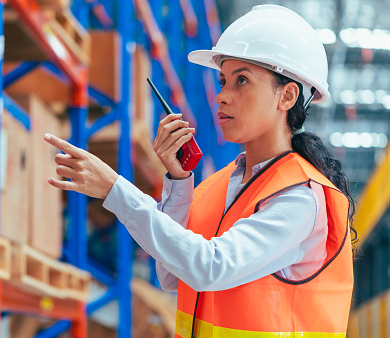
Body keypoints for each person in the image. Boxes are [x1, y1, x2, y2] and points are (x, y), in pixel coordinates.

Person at [44, 4, 356, 337]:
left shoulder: (299, 198)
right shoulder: (221, 185)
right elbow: (170, 276)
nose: (222, 96)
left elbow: (209, 266)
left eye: (242, 81)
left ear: (287, 96)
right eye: (223, 80)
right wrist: (178, 183)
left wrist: (114, 191)